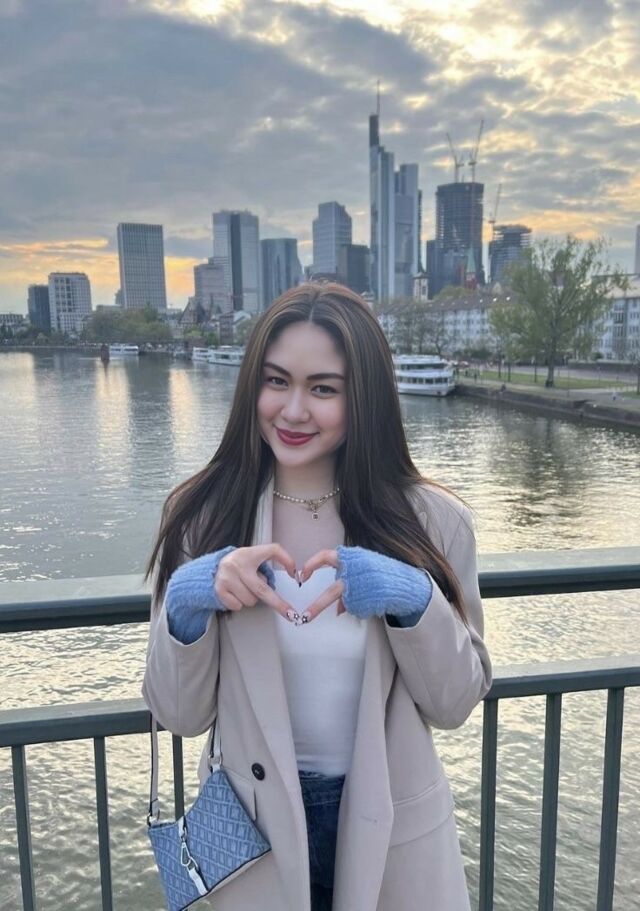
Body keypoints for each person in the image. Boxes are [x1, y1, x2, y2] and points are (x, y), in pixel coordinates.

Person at [142, 282, 492, 911]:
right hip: (252, 829)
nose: (294, 410)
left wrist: (415, 599)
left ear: (365, 400)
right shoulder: (200, 516)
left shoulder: (432, 522)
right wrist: (188, 603)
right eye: (276, 381)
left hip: (391, 821)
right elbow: (179, 715)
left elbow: (455, 702)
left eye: (324, 389)